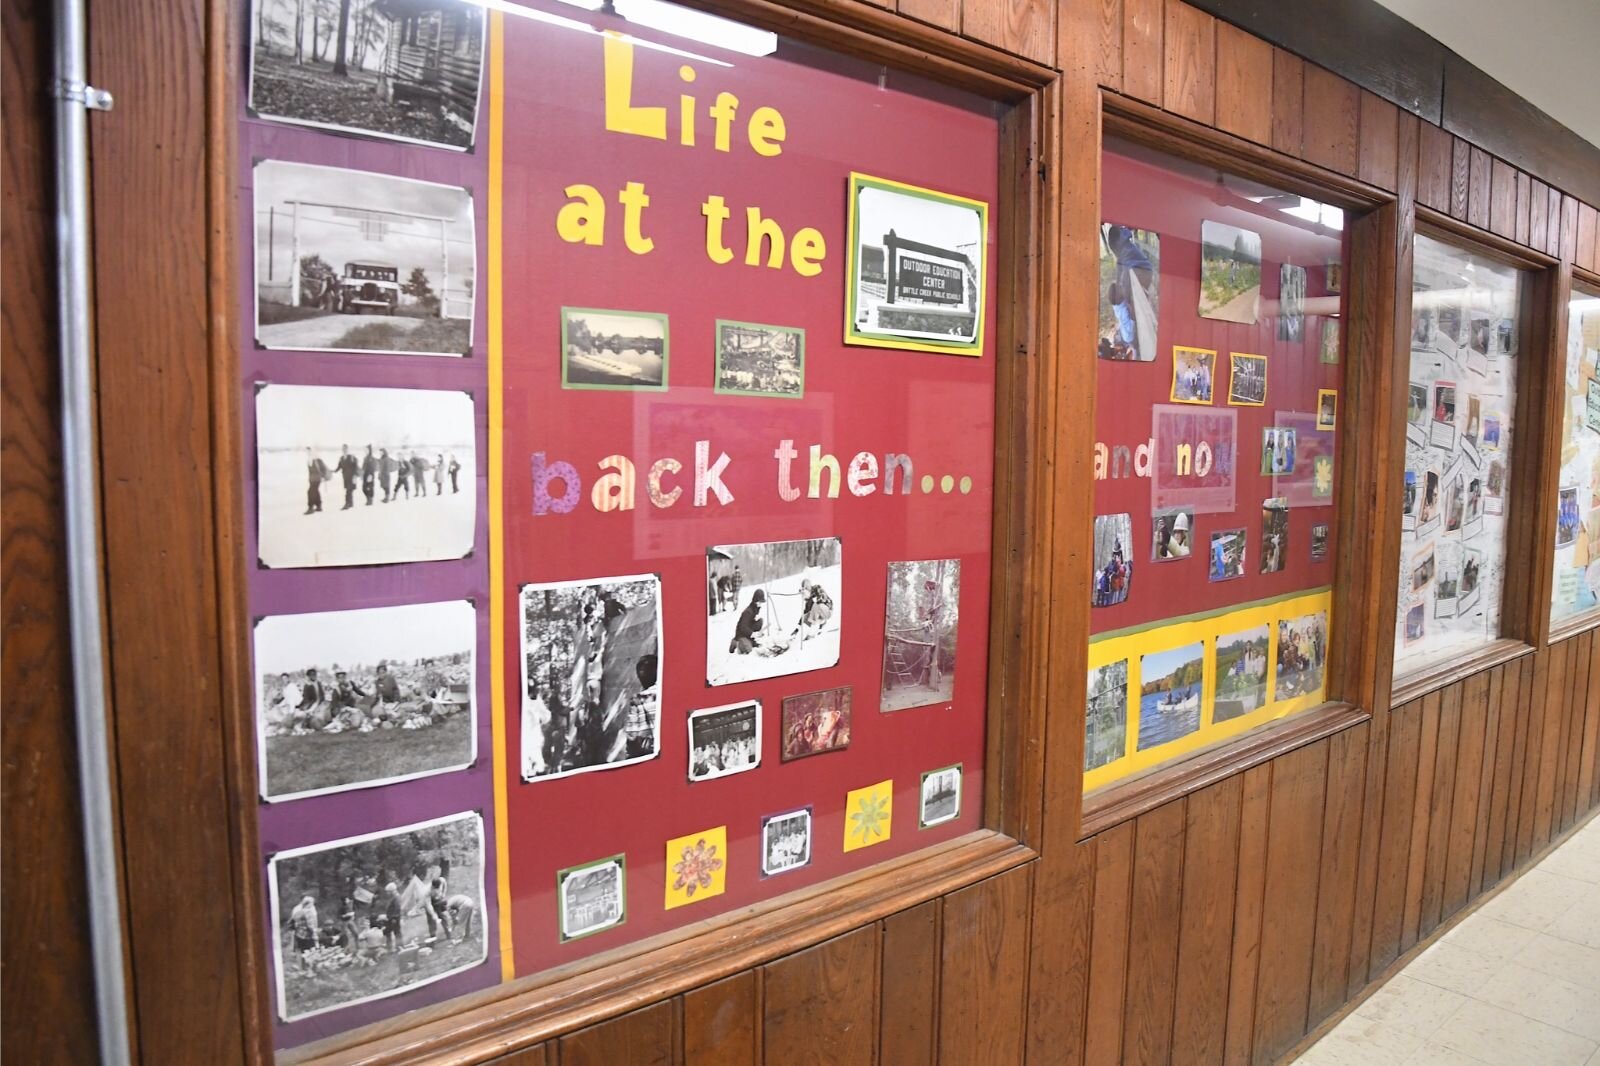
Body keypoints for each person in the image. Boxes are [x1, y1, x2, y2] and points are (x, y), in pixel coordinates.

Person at [730, 589, 765, 654]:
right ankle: (735, 642)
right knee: (748, 649)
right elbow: (742, 627)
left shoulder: (755, 608)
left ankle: (750, 640)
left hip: (748, 631)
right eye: (759, 602)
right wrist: (752, 633)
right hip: (741, 634)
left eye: (761, 602)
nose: (760, 604)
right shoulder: (748, 612)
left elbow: (750, 623)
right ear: (755, 601)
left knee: (760, 621)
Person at [289, 895, 318, 970]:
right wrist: (315, 935)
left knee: (302, 952)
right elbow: (310, 926)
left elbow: (291, 923)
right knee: (311, 952)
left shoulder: (298, 912)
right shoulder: (308, 912)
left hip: (299, 935)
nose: (313, 905)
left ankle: (302, 968)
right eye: (312, 903)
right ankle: (311, 970)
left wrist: (298, 928)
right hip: (308, 936)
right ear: (308, 904)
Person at [333, 445, 359, 510]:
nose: (344, 450)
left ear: (348, 450)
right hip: (345, 477)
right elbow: (339, 466)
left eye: (345, 449)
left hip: (352, 477)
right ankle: (351, 503)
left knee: (348, 491)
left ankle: (347, 504)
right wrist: (333, 471)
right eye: (343, 449)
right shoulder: (341, 458)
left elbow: (356, 466)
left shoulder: (352, 457)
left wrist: (355, 475)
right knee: (349, 490)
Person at [305, 449, 328, 514]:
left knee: (310, 492)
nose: (308, 453)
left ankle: (310, 507)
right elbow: (310, 472)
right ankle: (319, 506)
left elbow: (323, 469)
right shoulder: (309, 460)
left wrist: (323, 477)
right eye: (307, 452)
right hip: (312, 480)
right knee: (315, 491)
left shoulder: (318, 460)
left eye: (309, 451)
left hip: (317, 479)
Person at [381, 882, 403, 953]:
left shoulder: (396, 897)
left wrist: (394, 918)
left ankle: (399, 947)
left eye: (388, 892)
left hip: (394, 919)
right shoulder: (393, 897)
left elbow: (397, 908)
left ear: (392, 891)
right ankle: (391, 947)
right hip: (390, 918)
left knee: (397, 933)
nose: (387, 893)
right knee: (388, 932)